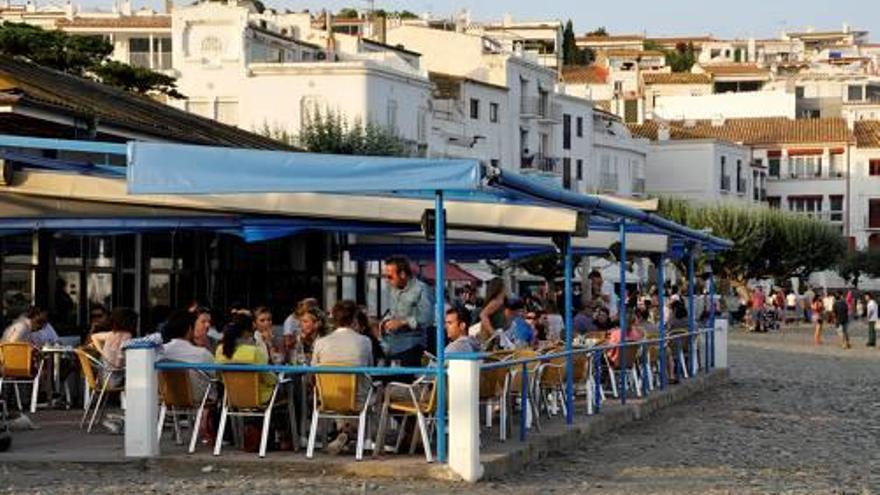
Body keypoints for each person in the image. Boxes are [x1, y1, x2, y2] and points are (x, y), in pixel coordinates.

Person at [311, 300, 373, 455]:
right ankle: (356, 434)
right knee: (371, 391)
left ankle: (342, 432)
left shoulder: (321, 343)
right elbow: (369, 369)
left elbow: (312, 371)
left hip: (329, 398)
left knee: (334, 391)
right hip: (357, 399)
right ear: (354, 319)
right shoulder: (364, 341)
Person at [380, 256, 433, 368]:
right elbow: (392, 312)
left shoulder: (421, 289)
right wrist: (385, 322)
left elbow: (427, 318)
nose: (387, 280)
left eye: (390, 276)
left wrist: (403, 322)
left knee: (403, 381)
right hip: (391, 345)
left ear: (402, 274)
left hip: (411, 345)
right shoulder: (393, 289)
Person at [215, 313, 276, 404]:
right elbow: (270, 379)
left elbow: (219, 376)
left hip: (232, 397)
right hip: (260, 397)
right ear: (247, 332)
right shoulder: (254, 351)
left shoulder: (220, 349)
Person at [159, 310, 215, 401]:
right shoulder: (202, 354)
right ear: (190, 329)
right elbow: (216, 375)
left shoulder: (160, 352)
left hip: (168, 398)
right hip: (198, 399)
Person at [90, 307, 137, 387]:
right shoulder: (127, 336)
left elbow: (94, 337)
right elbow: (118, 363)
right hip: (114, 380)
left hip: (103, 377)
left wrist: (101, 351)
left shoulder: (111, 334)